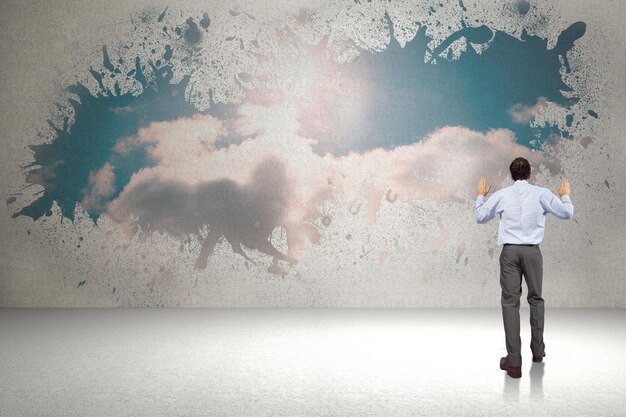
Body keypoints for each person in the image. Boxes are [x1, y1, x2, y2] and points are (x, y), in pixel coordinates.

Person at [475, 157, 574, 378]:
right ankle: (538, 353)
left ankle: (514, 363)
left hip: (510, 253)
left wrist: (481, 195)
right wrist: (564, 195)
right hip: (532, 251)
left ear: (511, 176)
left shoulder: (501, 195)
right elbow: (567, 213)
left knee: (510, 304)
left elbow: (480, 217)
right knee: (536, 299)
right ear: (530, 175)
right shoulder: (541, 194)